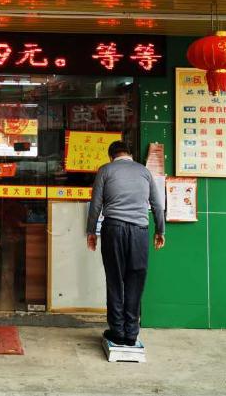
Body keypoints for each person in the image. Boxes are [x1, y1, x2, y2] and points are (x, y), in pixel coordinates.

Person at [86, 140, 165, 348]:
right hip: (140, 231)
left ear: (111, 156)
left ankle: (117, 331)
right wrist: (160, 230)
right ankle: (131, 333)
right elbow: (157, 204)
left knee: (114, 280)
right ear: (130, 154)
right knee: (135, 280)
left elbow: (96, 204)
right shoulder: (144, 172)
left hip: (113, 229)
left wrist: (91, 231)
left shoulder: (105, 170)